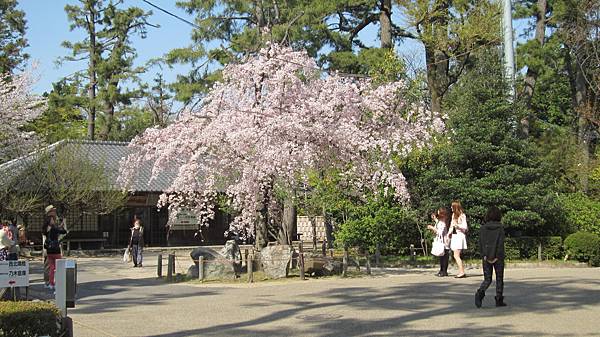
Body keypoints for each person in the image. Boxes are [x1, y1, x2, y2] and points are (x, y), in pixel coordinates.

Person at [475, 206, 507, 308]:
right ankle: (498, 299)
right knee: (499, 279)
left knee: (487, 279)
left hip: (486, 257)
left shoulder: (483, 228)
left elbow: (481, 243)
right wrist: (497, 256)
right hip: (498, 257)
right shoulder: (500, 228)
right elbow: (500, 243)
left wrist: (484, 255)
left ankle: (480, 293)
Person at [43, 205, 68, 291]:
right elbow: (64, 231)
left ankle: (50, 283)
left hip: (49, 249)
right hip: (55, 249)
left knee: (51, 267)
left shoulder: (46, 227)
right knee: (59, 266)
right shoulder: (53, 228)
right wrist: (64, 223)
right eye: (53, 210)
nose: (54, 212)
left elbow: (56, 229)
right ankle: (59, 283)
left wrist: (59, 226)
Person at [427, 207, 451, 277]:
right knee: (442, 256)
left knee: (444, 257)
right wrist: (435, 220)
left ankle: (443, 271)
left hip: (444, 242)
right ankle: (442, 270)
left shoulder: (443, 222)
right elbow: (438, 223)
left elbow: (439, 232)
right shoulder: (442, 221)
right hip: (443, 241)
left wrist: (432, 228)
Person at [449, 200, 468, 278]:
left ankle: (462, 272)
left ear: (455, 207)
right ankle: (461, 271)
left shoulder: (462, 216)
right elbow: (451, 226)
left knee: (456, 255)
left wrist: (457, 226)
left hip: (459, 236)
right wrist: (449, 233)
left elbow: (465, 227)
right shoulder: (453, 215)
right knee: (456, 255)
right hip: (455, 235)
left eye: (452, 206)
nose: (450, 208)